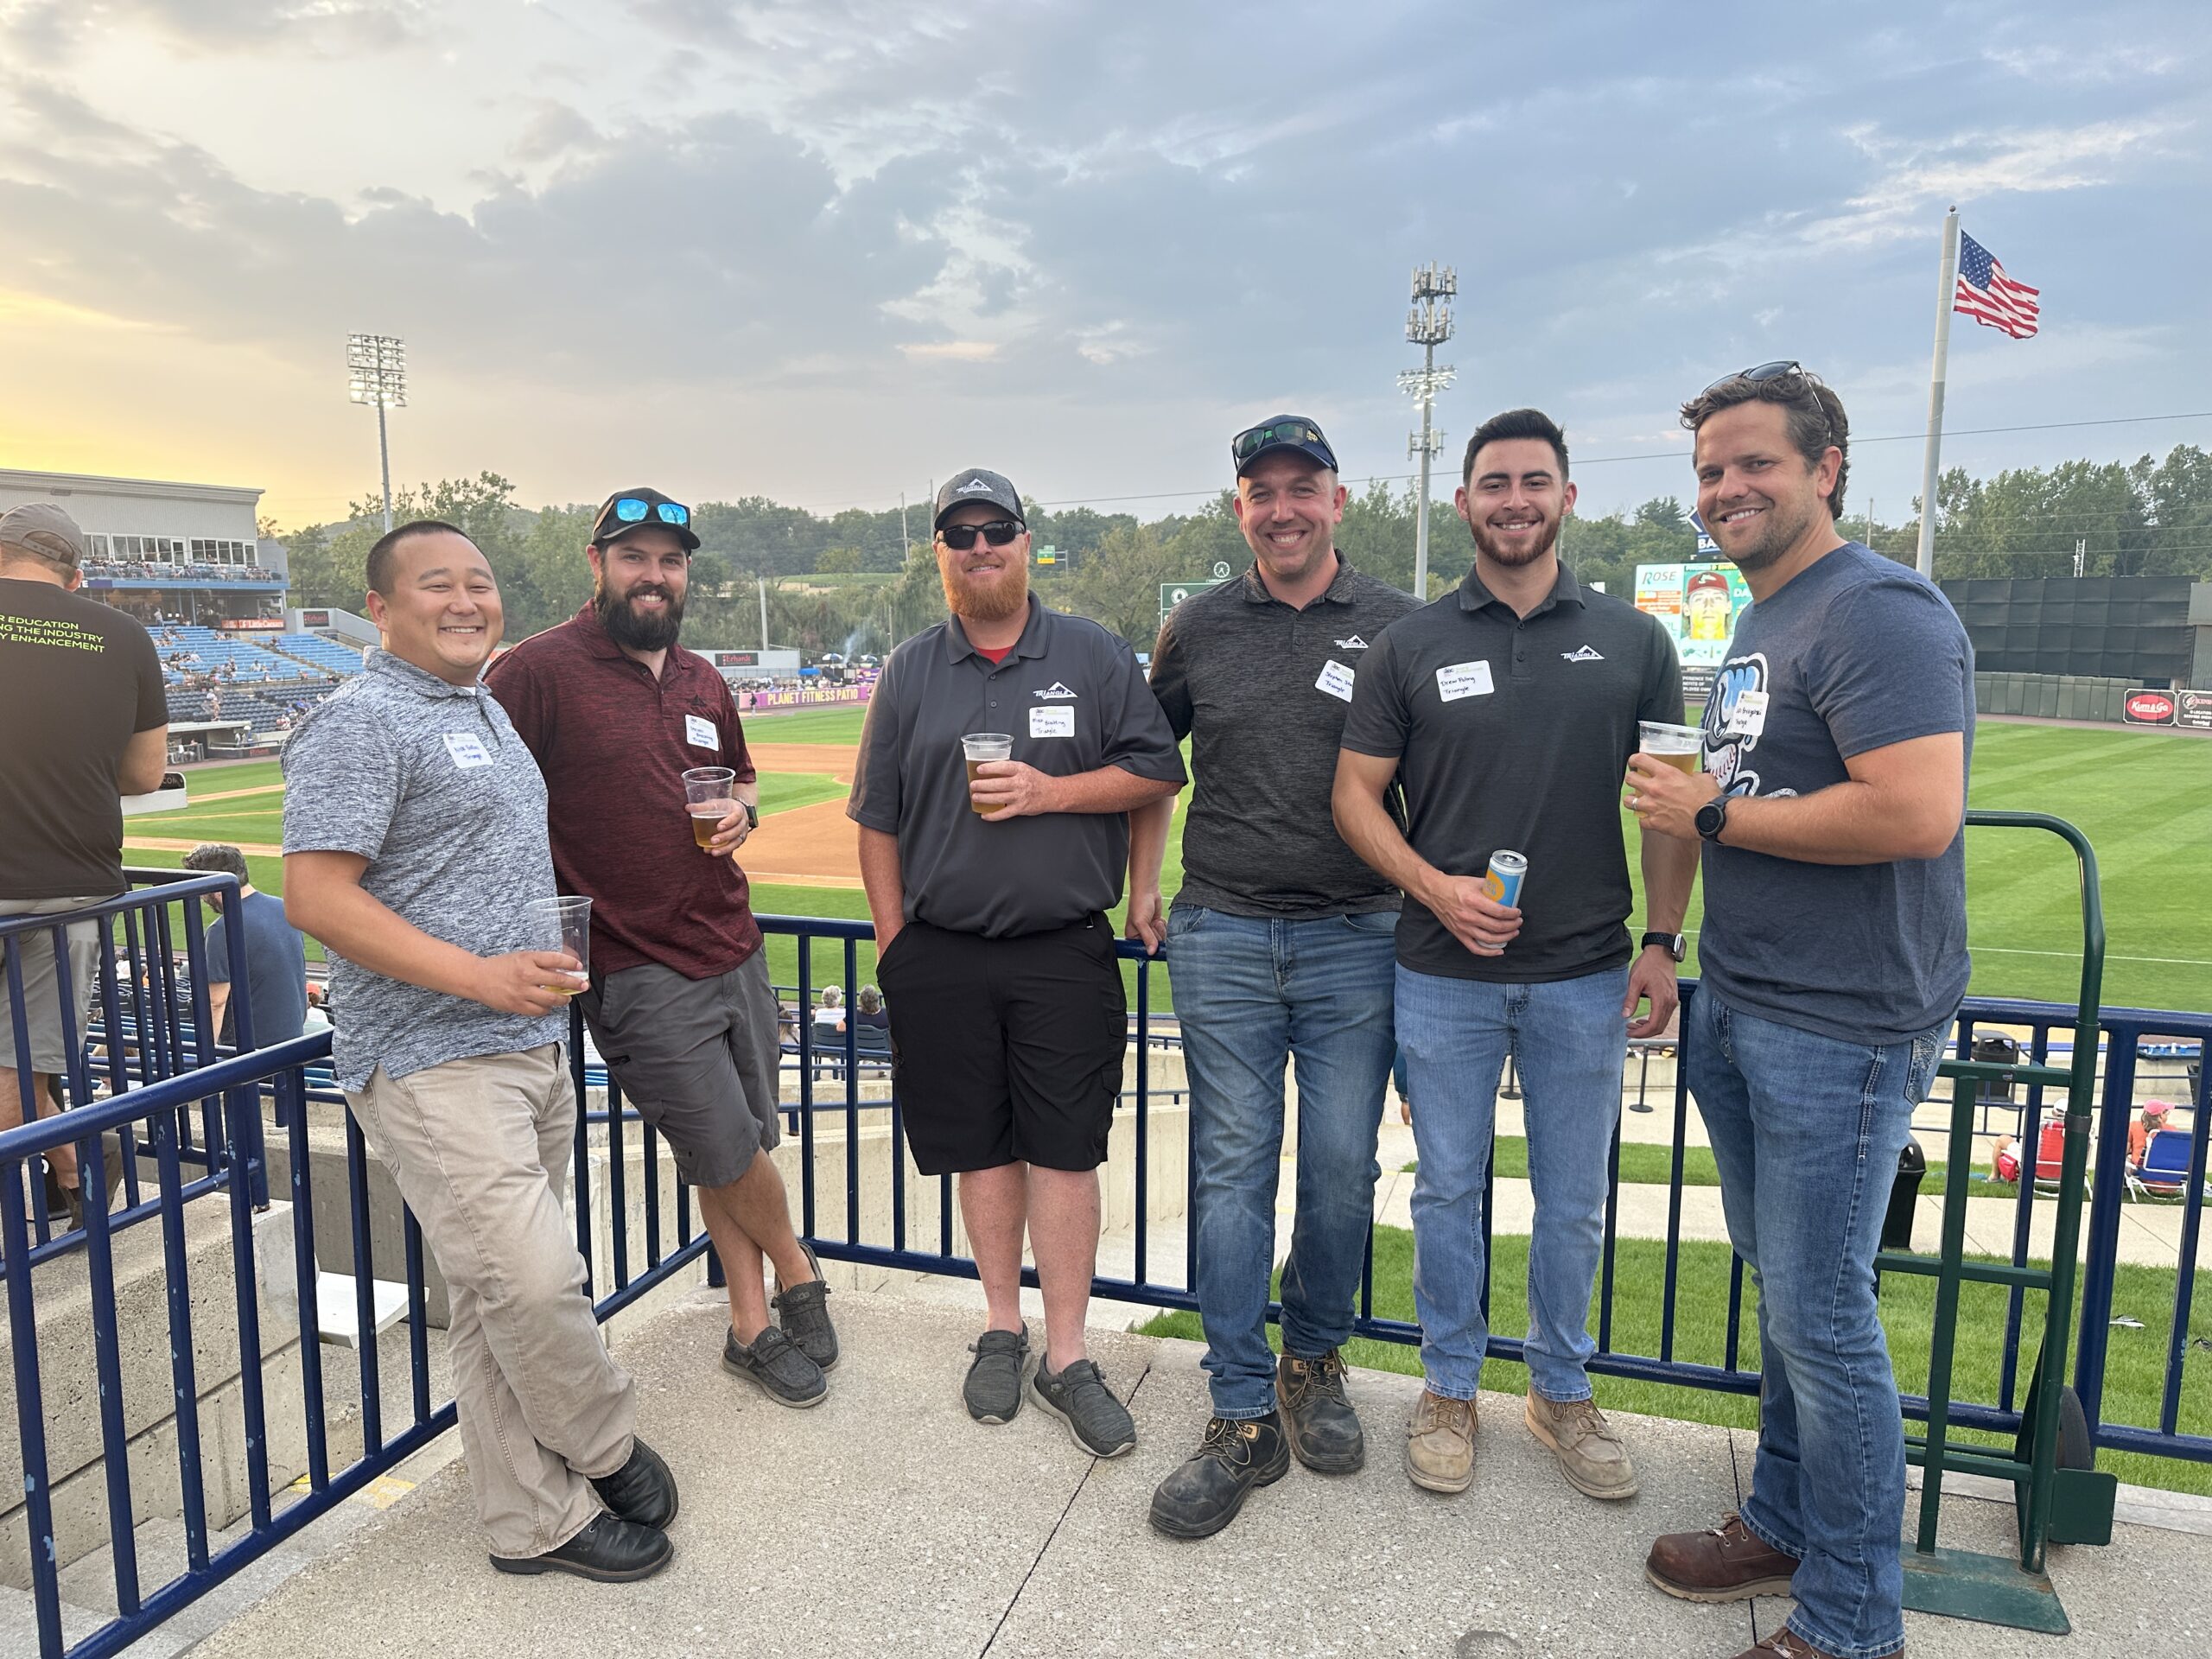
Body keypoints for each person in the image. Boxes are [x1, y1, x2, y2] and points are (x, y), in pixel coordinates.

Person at [1631, 365, 1973, 1659]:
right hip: (1750, 1000)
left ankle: (1849, 1625)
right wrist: (1670, 937)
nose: (1726, 488)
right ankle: (1779, 1520)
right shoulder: (1768, 618)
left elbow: (1915, 811)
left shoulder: (1877, 609)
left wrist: (1709, 814)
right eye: (1712, 469)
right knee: (1789, 1301)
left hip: (1846, 1026)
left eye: (1754, 464)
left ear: (1826, 467)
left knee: (1825, 1322)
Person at [283, 518, 676, 1584]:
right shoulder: (360, 720)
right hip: (428, 1055)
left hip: (526, 1042)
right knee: (538, 1282)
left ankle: (527, 1521)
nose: (466, 602)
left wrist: (525, 959)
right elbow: (314, 896)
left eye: (480, 584)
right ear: (380, 608)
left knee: (498, 1292)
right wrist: (480, 975)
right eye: (436, 586)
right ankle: (606, 1447)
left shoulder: (483, 706)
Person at [1334, 409, 1697, 1505]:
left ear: (1566, 497)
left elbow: (1670, 811)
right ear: (1464, 504)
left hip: (1585, 970)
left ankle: (1560, 1388)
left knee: (1574, 1196)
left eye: (1534, 481)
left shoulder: (1637, 642)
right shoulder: (1411, 643)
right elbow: (1353, 798)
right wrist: (1433, 887)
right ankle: (1449, 1384)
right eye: (1493, 483)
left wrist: (1662, 943)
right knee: (1447, 1188)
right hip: (1439, 972)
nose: (1513, 500)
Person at [849, 467, 1184, 1457]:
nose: (979, 547)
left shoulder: (1086, 651)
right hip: (942, 951)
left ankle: (1068, 1354)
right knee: (981, 1153)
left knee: (1066, 1155)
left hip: (1063, 948)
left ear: (1026, 542)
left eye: (996, 530)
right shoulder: (912, 669)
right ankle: (1002, 1325)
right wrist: (893, 946)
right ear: (942, 555)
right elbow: (876, 823)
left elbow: (1155, 772)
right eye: (959, 535)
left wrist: (1059, 806)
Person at [1131, 414, 1419, 1540]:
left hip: (1361, 937)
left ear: (1339, 501)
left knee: (1344, 1171)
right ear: (1239, 507)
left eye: (1305, 487)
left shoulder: (1399, 625)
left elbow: (1436, 784)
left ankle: (1313, 1356)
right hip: (1225, 934)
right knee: (1232, 1172)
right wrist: (1143, 882)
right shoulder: (1195, 626)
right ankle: (1241, 1408)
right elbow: (1147, 766)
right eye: (1263, 491)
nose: (1284, 507)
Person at [486, 486, 836, 1410]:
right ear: (596, 563)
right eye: (634, 556)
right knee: (723, 1147)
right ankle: (800, 1271)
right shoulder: (536, 671)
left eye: (670, 560)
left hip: (731, 938)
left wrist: (742, 811)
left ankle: (750, 1327)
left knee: (735, 1139)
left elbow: (746, 777)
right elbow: (485, 803)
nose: (654, 575)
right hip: (633, 963)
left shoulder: (700, 678)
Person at [0, 503, 169, 1230]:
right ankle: (81, 1163)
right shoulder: (125, 634)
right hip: (73, 885)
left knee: (12, 1079)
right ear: (74, 576)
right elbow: (143, 774)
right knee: (18, 1068)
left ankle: (76, 1168)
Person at [180, 843, 309, 1047]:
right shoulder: (284, 908)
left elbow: (216, 1002)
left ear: (211, 885)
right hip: (292, 1040)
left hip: (251, 1051)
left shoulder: (223, 928)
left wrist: (205, 1063)